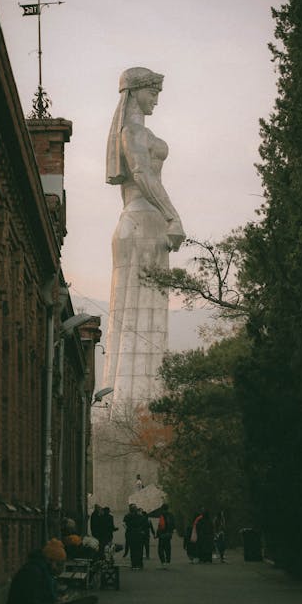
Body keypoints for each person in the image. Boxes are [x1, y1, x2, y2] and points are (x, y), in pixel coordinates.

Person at [103, 67, 186, 404]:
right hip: (143, 222)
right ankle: (134, 406)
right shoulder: (132, 132)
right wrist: (173, 216)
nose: (156, 100)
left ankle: (145, 404)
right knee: (135, 313)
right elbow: (142, 173)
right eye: (152, 92)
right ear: (135, 91)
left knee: (144, 314)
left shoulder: (136, 131)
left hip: (141, 222)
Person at [123, 503, 144, 570]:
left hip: (131, 534)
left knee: (133, 549)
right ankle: (140, 564)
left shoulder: (127, 516)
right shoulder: (140, 516)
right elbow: (144, 524)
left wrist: (128, 529)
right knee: (139, 549)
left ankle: (134, 564)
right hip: (139, 534)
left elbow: (124, 524)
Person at [156, 503, 175, 568]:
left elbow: (161, 526)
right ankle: (168, 561)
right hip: (169, 534)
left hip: (162, 534)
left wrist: (158, 534)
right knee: (168, 548)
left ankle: (163, 562)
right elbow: (173, 525)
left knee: (160, 548)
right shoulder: (171, 515)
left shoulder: (162, 515)